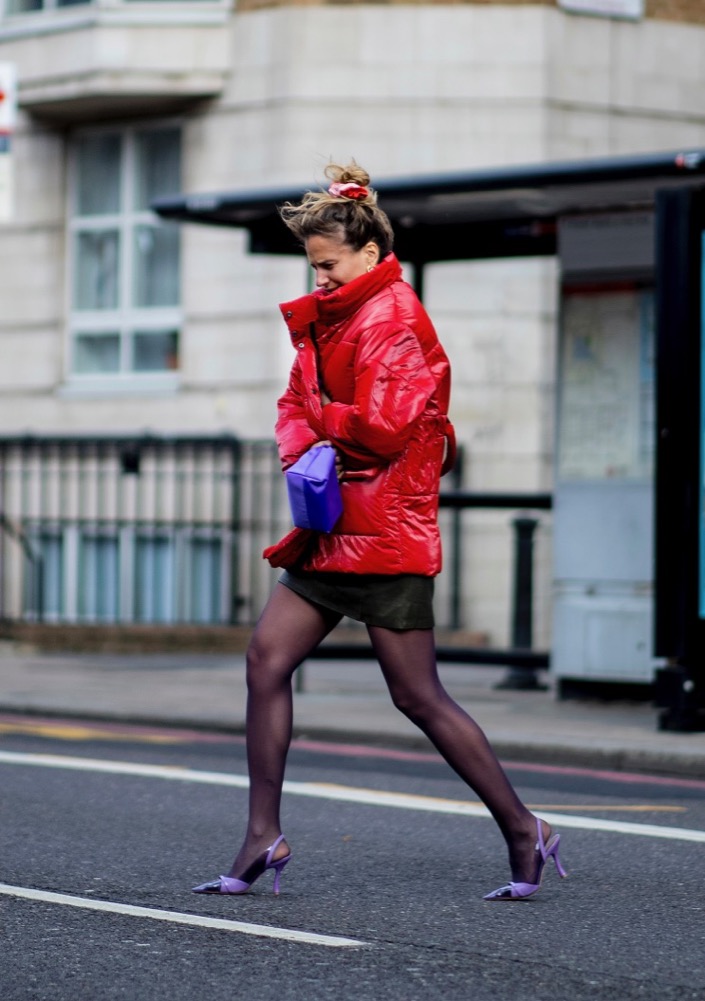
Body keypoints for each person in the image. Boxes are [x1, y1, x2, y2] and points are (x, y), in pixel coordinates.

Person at [192, 161, 567, 902]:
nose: (319, 278)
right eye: (313, 266)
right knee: (266, 659)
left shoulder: (392, 316)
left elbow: (387, 429)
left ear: (367, 253)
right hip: (334, 527)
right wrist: (302, 442)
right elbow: (292, 402)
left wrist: (321, 426)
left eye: (328, 266)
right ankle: (261, 833)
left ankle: (525, 828)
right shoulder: (332, 317)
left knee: (417, 696)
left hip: (386, 531)